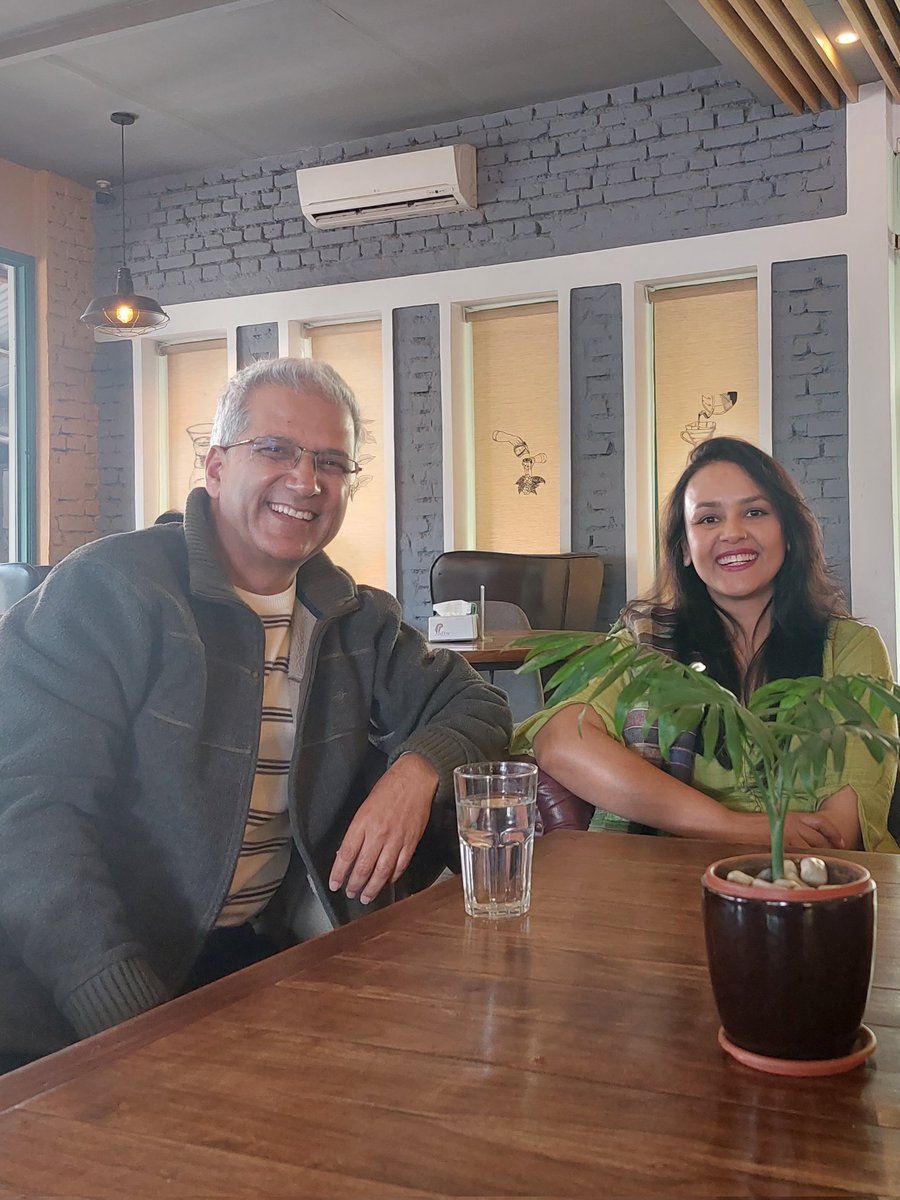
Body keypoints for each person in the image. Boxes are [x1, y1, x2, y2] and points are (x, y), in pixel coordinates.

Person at [0, 357, 511, 1070]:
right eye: (275, 449)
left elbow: (479, 703)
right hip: (67, 1004)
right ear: (216, 466)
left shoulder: (354, 617)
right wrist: (127, 1015)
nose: (306, 481)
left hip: (251, 969)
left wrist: (416, 771)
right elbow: (25, 820)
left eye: (330, 461)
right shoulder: (108, 591)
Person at [514, 437, 898, 854]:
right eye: (708, 519)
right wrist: (732, 826)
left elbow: (840, 830)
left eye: (755, 512)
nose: (733, 533)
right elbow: (560, 741)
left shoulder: (849, 648)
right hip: (665, 877)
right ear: (685, 548)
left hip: (816, 881)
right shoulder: (644, 645)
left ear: (788, 533)